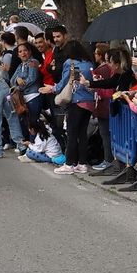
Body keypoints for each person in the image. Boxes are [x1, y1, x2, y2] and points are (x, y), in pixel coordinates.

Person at [42, 39, 95, 175]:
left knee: (71, 133)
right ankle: (82, 163)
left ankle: (69, 163)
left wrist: (52, 88)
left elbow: (65, 81)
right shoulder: (89, 63)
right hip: (89, 101)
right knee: (82, 133)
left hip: (76, 101)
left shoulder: (70, 63)